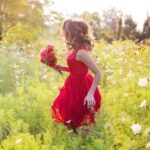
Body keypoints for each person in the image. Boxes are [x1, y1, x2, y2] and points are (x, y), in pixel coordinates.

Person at [50, 19, 102, 134]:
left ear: (72, 34)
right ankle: (77, 135)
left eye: (66, 33)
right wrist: (60, 67)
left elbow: (98, 73)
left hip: (82, 87)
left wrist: (90, 94)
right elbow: (77, 70)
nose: (64, 37)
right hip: (72, 85)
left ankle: (88, 136)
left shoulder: (81, 53)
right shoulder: (76, 50)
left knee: (80, 118)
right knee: (67, 112)